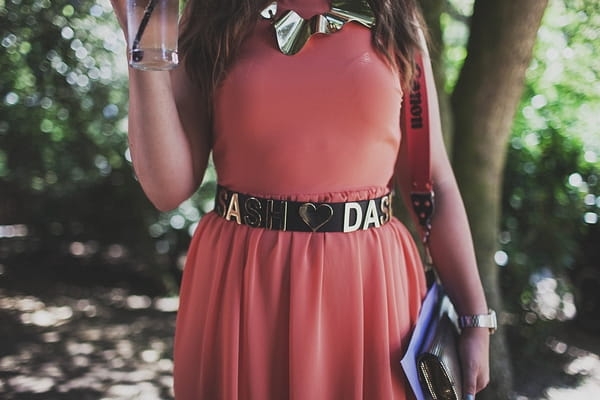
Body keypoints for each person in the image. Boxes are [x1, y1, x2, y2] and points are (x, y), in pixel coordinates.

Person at [109, 0, 491, 399]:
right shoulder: (210, 11)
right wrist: (145, 46)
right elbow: (167, 188)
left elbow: (431, 180)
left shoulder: (395, 13)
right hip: (245, 285)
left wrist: (475, 318)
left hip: (370, 291)